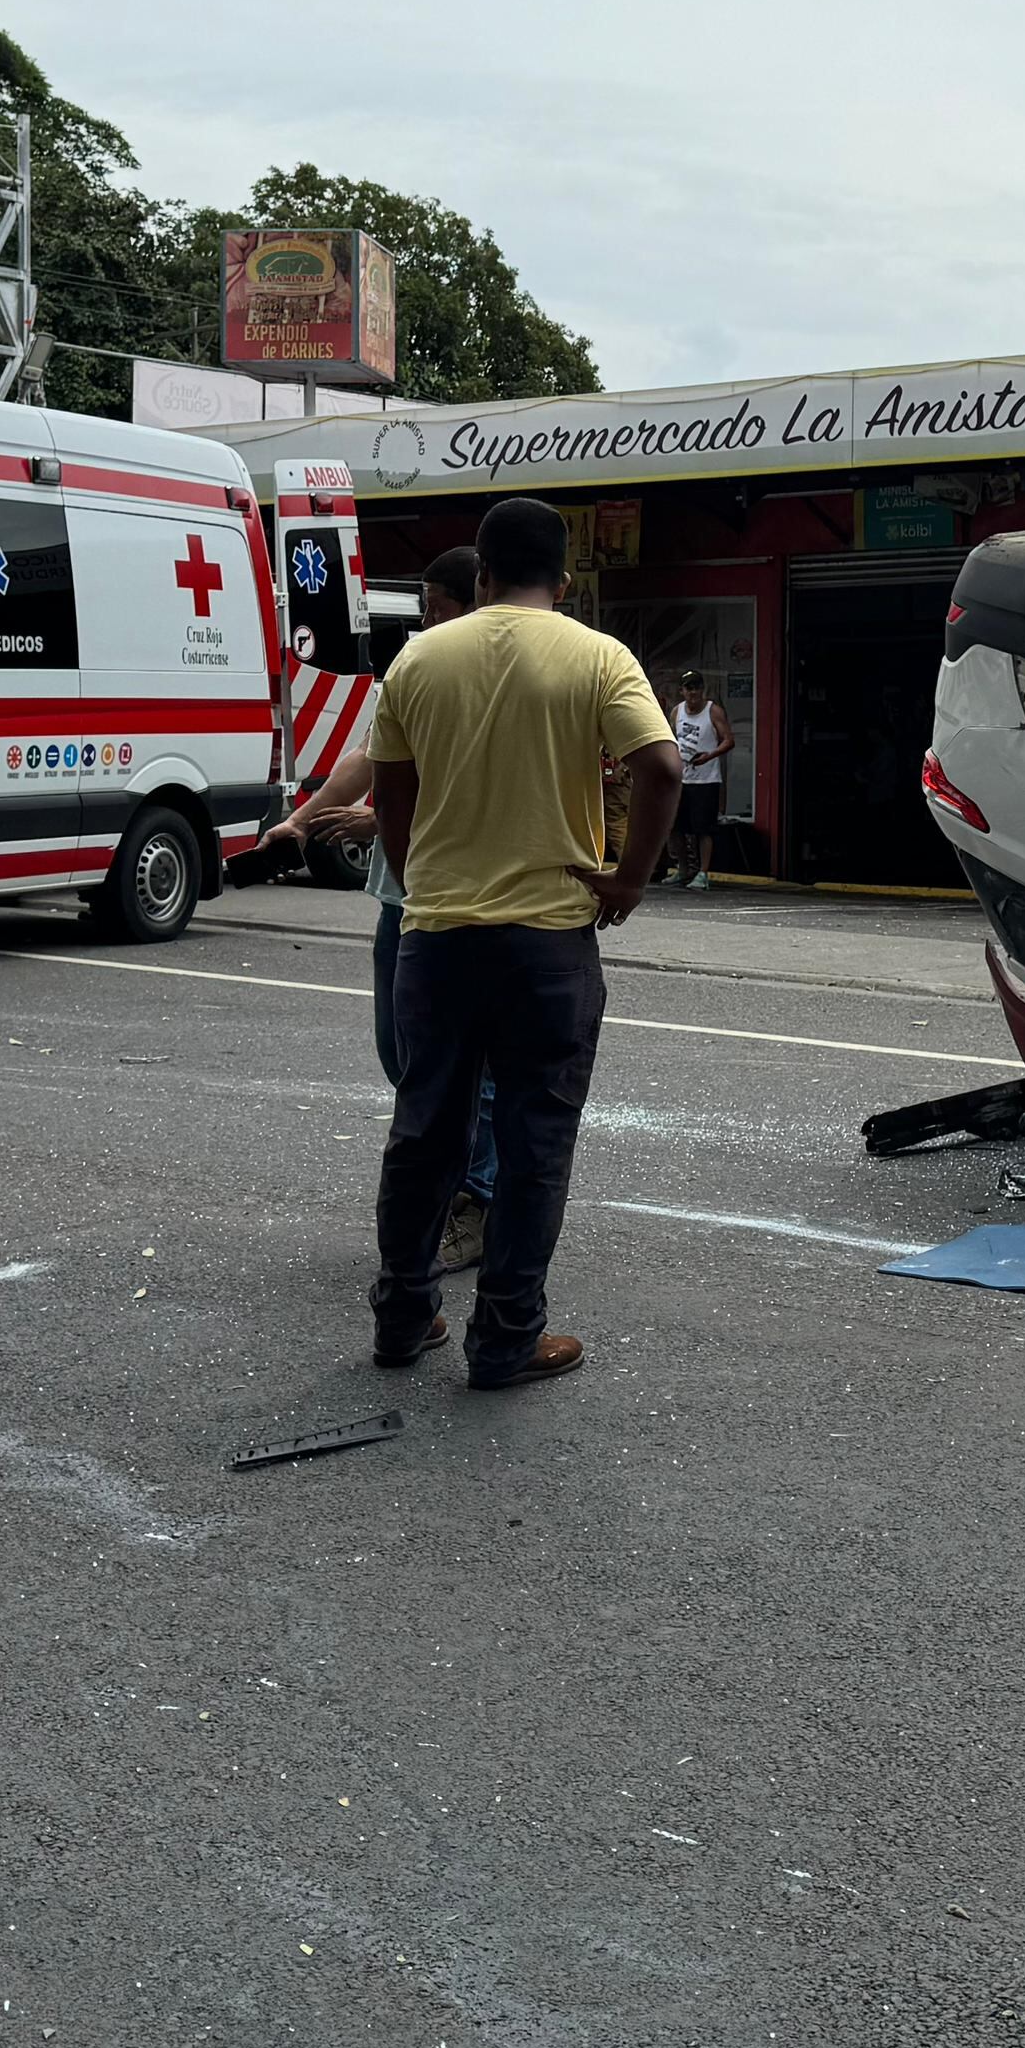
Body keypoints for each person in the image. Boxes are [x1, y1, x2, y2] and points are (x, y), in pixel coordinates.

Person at [365, 496, 678, 1386]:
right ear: (565, 581)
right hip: (548, 943)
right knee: (536, 1140)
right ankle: (504, 1341)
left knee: (425, 1130)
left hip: (438, 938)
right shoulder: (597, 655)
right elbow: (660, 766)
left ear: (484, 576)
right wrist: (629, 879)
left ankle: (402, 1319)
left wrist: (420, 875)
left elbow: (393, 795)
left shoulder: (419, 658)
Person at [261, 546, 493, 1274]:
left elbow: (477, 789)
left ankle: (477, 1199)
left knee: (462, 1062)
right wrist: (306, 816)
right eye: (423, 605)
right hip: (402, 898)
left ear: (475, 599)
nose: (424, 619)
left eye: (435, 604)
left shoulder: (496, 672)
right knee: (402, 1053)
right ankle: (458, 1185)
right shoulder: (418, 664)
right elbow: (372, 754)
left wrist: (384, 818)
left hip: (461, 897)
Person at [664, 667, 733, 888]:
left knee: (703, 828)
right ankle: (683, 868)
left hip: (706, 779)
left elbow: (728, 740)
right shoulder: (677, 712)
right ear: (682, 691)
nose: (692, 693)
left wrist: (709, 756)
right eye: (688, 688)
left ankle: (703, 872)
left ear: (702, 690)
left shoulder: (713, 711)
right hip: (682, 778)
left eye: (696, 688)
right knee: (675, 825)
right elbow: (671, 738)